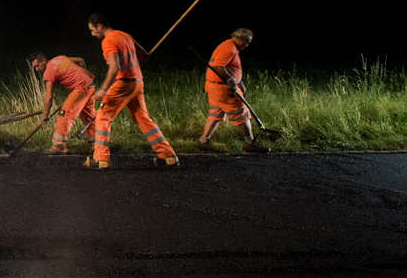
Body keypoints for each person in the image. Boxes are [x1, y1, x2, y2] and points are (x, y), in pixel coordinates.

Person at [86, 14, 179, 169]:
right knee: (143, 118)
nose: (92, 33)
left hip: (123, 84)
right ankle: (168, 155)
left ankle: (101, 159)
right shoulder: (124, 35)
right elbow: (144, 55)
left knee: (103, 116)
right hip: (137, 82)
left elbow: (115, 68)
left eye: (92, 30)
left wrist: (103, 89)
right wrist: (132, 66)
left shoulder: (108, 41)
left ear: (100, 27)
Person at [198, 28, 269, 154]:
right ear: (241, 39)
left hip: (215, 86)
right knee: (242, 112)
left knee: (215, 114)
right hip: (223, 88)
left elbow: (228, 67)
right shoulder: (229, 48)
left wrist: (239, 82)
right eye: (247, 43)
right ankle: (250, 143)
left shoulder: (228, 46)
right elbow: (219, 66)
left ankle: (203, 141)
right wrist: (231, 82)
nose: (247, 46)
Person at [29, 52, 96, 154]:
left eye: (37, 66)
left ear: (44, 61)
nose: (37, 69)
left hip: (81, 88)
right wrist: (83, 76)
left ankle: (58, 147)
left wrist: (46, 115)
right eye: (35, 67)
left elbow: (49, 97)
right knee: (89, 116)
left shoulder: (48, 72)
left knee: (64, 114)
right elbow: (80, 60)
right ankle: (97, 145)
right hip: (90, 85)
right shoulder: (59, 58)